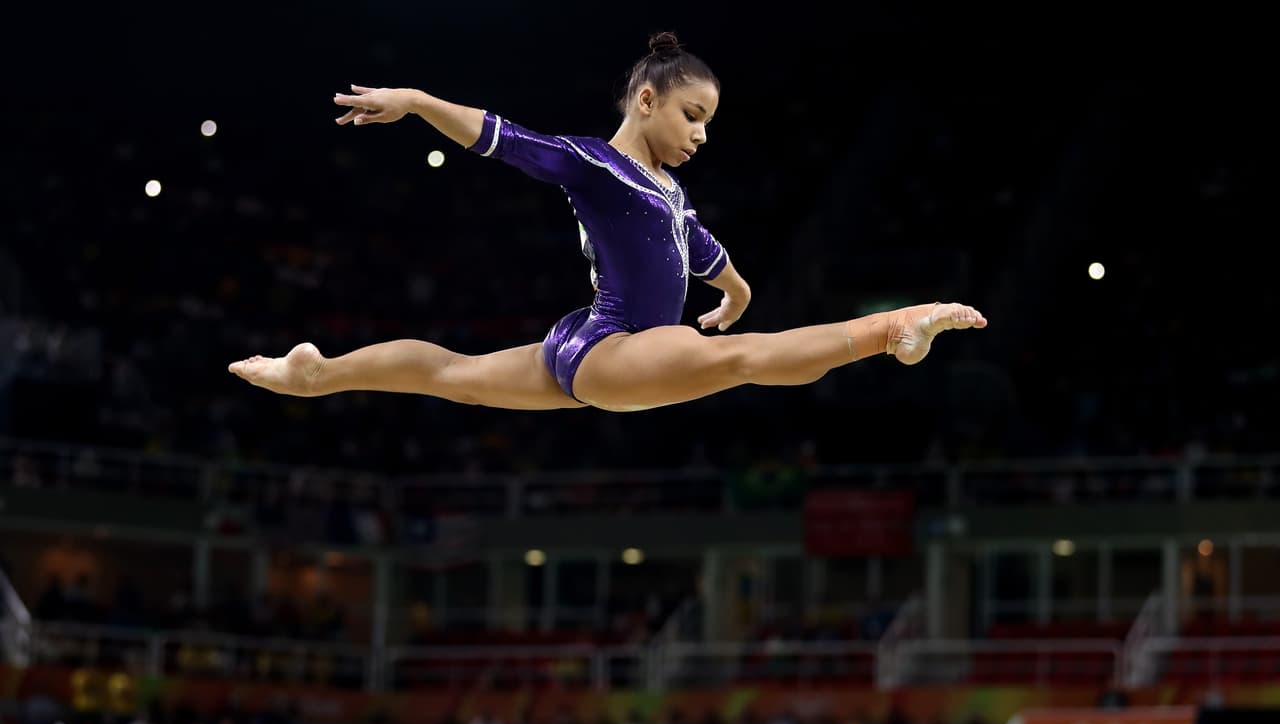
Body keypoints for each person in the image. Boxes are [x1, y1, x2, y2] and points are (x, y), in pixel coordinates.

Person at [229, 32, 986, 412]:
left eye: (710, 123)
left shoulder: (670, 192)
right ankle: (894, 328)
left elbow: (701, 251)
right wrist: (420, 101)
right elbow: (504, 137)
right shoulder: (597, 164)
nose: (701, 134)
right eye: (693, 115)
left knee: (451, 373)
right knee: (738, 359)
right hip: (612, 343)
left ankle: (317, 372)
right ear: (647, 101)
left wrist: (736, 290)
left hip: (587, 343)